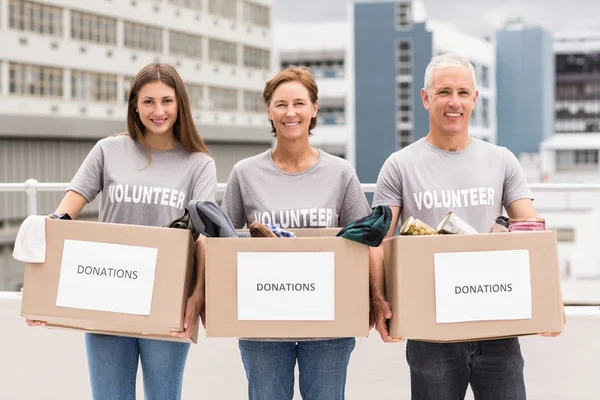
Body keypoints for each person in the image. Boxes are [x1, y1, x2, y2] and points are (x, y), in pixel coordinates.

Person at [369, 53, 563, 400]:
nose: (454, 102)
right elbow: (379, 240)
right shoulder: (399, 166)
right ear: (426, 98)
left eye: (462, 92)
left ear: (475, 99)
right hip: (430, 330)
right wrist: (378, 298)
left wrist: (551, 297)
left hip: (498, 325)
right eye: (443, 92)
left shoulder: (501, 159)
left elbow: (530, 231)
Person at [25, 63, 217, 400]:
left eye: (167, 101)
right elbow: (63, 215)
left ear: (180, 104)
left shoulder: (199, 163)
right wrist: (44, 297)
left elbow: (203, 240)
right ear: (134, 105)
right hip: (107, 296)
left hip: (168, 300)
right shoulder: (107, 150)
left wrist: (197, 296)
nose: (158, 111)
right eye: (148, 102)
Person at [221, 65, 371, 400]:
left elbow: (364, 242)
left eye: (299, 103)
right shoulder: (244, 173)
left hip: (328, 322)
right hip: (263, 321)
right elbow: (222, 244)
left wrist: (374, 301)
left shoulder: (340, 173)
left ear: (314, 109)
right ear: (269, 112)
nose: (291, 113)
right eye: (281, 104)